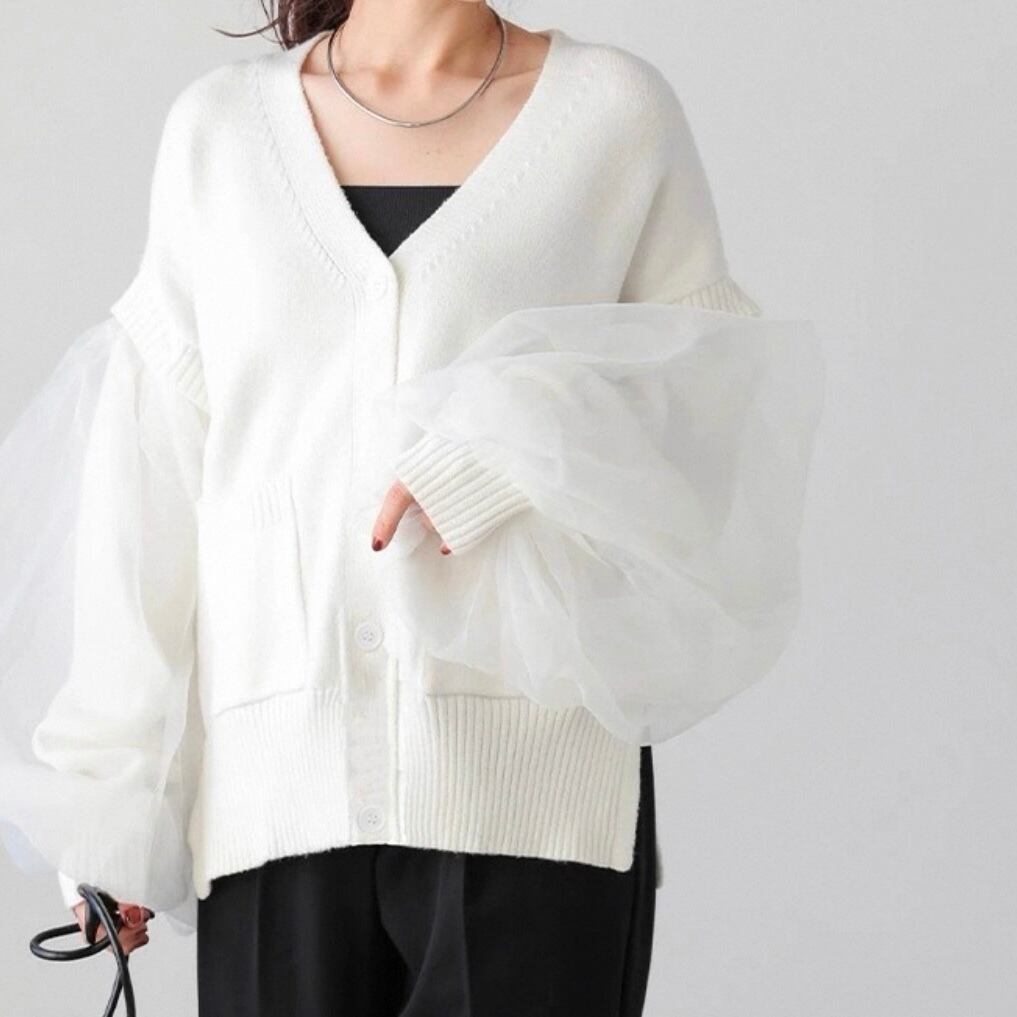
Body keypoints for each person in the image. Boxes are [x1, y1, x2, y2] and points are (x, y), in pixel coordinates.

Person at [0, 2, 824, 1014]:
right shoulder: (221, 131)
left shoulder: (611, 112)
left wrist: (501, 449)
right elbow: (150, 482)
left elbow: (706, 393)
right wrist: (111, 805)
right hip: (272, 803)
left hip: (532, 798)